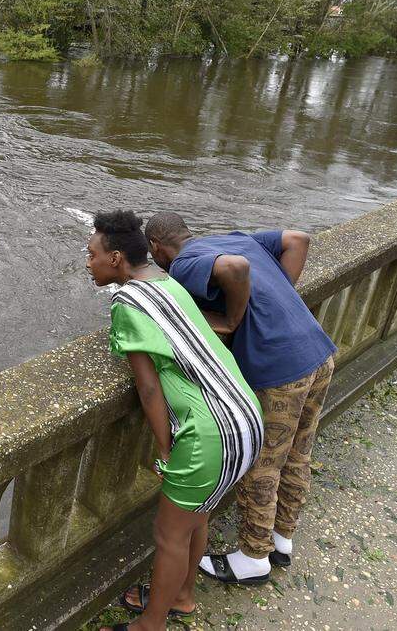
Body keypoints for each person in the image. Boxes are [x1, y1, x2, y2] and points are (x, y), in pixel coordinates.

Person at [87, 210, 263, 631]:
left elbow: (149, 390)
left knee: (169, 537)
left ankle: (151, 624)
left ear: (115, 259)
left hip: (208, 434)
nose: (87, 262)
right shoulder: (168, 283)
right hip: (246, 416)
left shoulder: (127, 302)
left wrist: (167, 448)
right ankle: (182, 596)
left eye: (92, 254)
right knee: (196, 516)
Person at [144, 212, 336, 586]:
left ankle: (253, 558)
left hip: (279, 368)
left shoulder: (182, 263)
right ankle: (281, 540)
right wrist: (277, 301)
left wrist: (235, 320)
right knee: (298, 452)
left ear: (156, 248)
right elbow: (298, 239)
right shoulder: (235, 236)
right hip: (317, 351)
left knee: (262, 461)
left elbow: (236, 269)